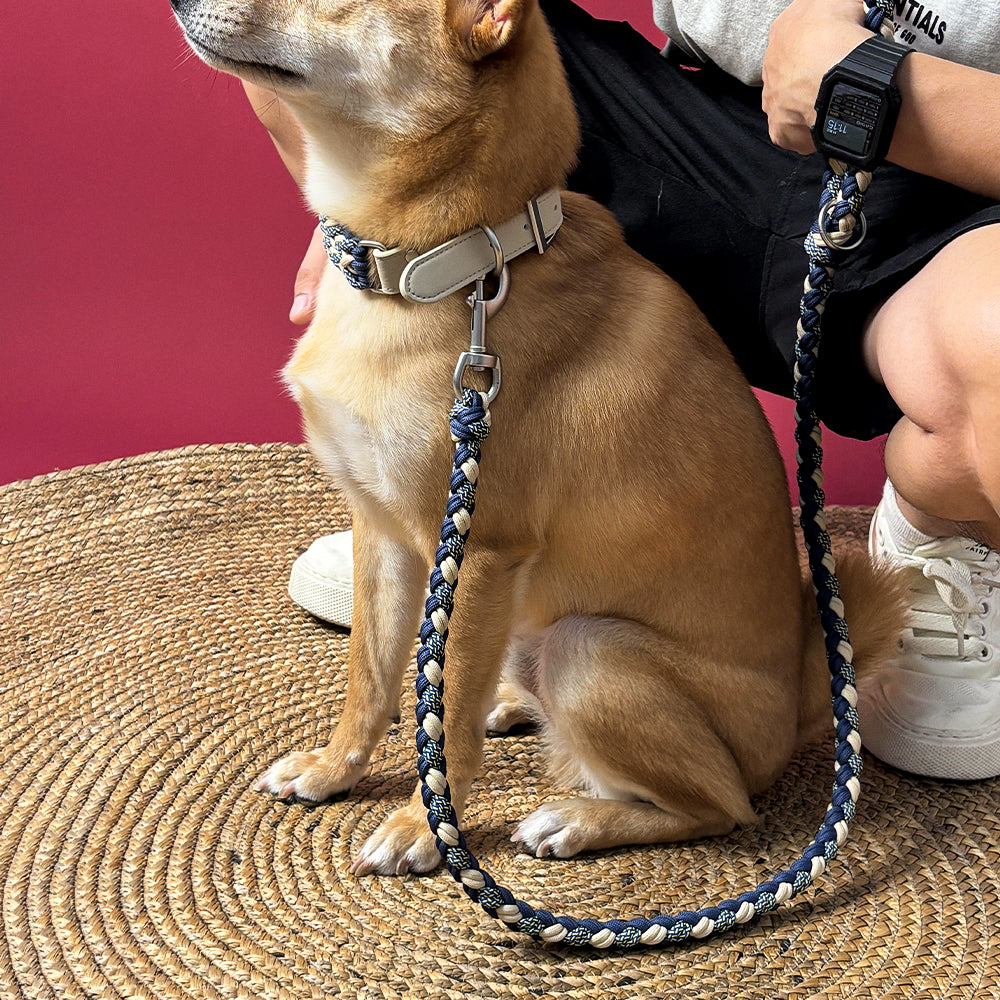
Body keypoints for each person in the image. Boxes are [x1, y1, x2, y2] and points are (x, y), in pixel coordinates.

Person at [243, 0, 1000, 781]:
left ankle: (947, 535)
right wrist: (389, 198)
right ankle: (429, 476)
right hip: (690, 113)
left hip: (951, 188)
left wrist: (879, 85)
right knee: (281, 44)